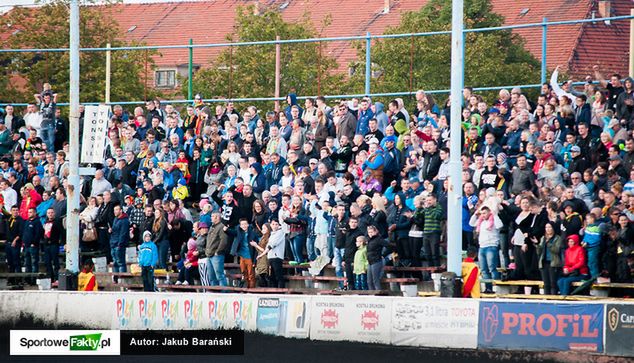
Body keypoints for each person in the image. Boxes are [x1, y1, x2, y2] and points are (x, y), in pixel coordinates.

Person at [469, 205, 502, 293]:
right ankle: (488, 288)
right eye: (482, 213)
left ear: (489, 212)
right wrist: (475, 214)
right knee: (483, 269)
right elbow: (471, 223)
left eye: (485, 213)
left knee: (492, 267)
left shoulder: (494, 221)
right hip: (482, 246)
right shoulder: (481, 222)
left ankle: (497, 287)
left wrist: (495, 215)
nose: (483, 215)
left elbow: (500, 225)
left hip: (491, 245)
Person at [535, 221, 563, 295]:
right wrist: (537, 245)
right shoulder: (543, 238)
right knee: (546, 284)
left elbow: (556, 250)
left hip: (553, 263)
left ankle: (553, 298)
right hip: (544, 263)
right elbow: (539, 252)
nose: (547, 229)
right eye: (546, 227)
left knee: (553, 283)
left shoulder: (558, 238)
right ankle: (547, 299)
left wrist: (549, 244)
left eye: (549, 227)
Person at [205, 214, 228, 287]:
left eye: (212, 216)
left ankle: (224, 293)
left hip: (217, 255)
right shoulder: (211, 227)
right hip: (209, 254)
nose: (211, 218)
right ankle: (214, 292)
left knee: (219, 275)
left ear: (217, 217)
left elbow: (223, 241)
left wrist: (217, 251)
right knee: (211, 276)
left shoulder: (221, 227)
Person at [22, 207, 43, 285]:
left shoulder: (37, 222)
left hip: (33, 246)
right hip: (26, 246)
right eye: (29, 212)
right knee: (27, 263)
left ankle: (34, 280)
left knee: (34, 263)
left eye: (31, 212)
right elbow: (24, 232)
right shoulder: (27, 222)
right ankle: (28, 280)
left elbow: (38, 234)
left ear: (34, 213)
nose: (29, 214)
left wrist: (34, 243)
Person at [109, 204, 129, 275]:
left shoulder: (124, 221)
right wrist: (111, 230)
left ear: (121, 210)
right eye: (114, 210)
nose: (115, 211)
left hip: (119, 244)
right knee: (115, 262)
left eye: (116, 210)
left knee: (121, 262)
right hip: (113, 243)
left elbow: (123, 234)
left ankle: (122, 280)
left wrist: (120, 244)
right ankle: (116, 279)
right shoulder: (115, 219)